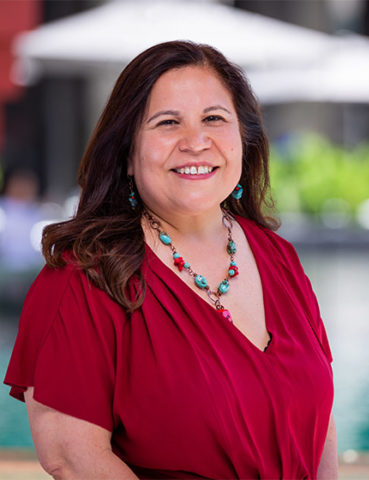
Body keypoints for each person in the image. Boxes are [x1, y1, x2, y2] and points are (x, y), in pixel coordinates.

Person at [4, 41, 336, 479]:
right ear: (127, 153)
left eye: (214, 119)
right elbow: (72, 458)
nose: (195, 142)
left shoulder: (280, 257)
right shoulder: (83, 276)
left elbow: (320, 426)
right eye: (168, 123)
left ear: (243, 139)